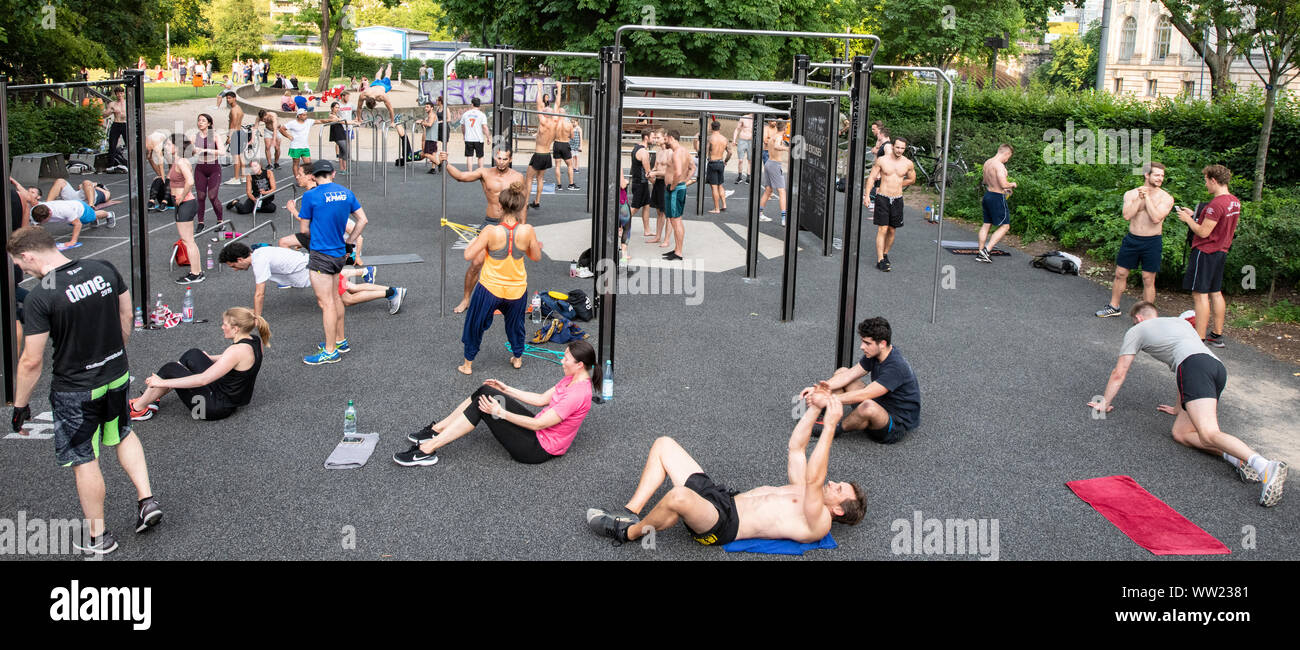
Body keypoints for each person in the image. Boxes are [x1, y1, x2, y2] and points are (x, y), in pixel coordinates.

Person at [8, 226, 162, 555]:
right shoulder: (103, 269)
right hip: (116, 375)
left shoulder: (41, 295)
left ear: (28, 255)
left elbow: (31, 361)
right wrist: (115, 353)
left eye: (21, 266)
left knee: (84, 459)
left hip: (75, 390)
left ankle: (99, 537)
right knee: (122, 433)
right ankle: (147, 501)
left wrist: (20, 405)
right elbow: (126, 315)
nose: (23, 271)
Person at [585, 390, 866, 546]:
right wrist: (816, 408)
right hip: (721, 498)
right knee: (664, 445)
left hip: (723, 525)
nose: (833, 483)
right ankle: (630, 512)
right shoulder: (803, 489)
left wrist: (830, 426)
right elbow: (796, 448)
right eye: (837, 482)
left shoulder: (819, 522)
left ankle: (627, 532)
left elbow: (817, 480)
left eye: (839, 489)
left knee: (678, 497)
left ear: (839, 509)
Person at [1089, 302, 1287, 506]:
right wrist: (1178, 407)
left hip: (1195, 368)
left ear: (1138, 318)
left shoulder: (1136, 330)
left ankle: (1265, 466)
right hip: (1216, 368)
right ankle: (1240, 460)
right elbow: (1182, 370)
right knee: (1181, 433)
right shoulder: (1178, 323)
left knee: (1208, 433)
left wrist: (1104, 403)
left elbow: (1119, 372)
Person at [394, 340, 597, 467]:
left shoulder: (577, 394)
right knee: (486, 392)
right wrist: (505, 389)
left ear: (579, 365)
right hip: (536, 432)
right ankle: (437, 429)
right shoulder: (572, 378)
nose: (562, 361)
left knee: (483, 406)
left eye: (566, 359)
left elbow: (539, 425)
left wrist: (499, 412)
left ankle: (427, 449)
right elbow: (542, 399)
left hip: (537, 449)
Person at [456, 181, 541, 374]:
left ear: (500, 207)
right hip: (516, 289)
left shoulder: (490, 231)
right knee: (516, 324)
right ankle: (517, 358)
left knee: (475, 323)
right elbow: (536, 256)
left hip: (490, 288)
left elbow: (468, 255)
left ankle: (467, 365)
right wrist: (523, 247)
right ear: (520, 207)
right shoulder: (528, 230)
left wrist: (481, 242)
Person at [128, 307, 268, 423]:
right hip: (229, 397)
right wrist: (208, 358)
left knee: (170, 369)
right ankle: (151, 397)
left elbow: (203, 380)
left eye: (225, 324)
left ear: (236, 329)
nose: (222, 327)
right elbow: (233, 361)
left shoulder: (235, 351)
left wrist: (162, 382)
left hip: (213, 408)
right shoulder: (254, 340)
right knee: (193, 354)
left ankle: (138, 409)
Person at [799, 316, 921, 443]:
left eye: (867, 343)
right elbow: (849, 375)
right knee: (842, 371)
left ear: (882, 343)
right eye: (862, 341)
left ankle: (835, 429)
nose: (862, 347)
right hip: (880, 403)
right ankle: (822, 412)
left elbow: (865, 394)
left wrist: (828, 399)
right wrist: (819, 389)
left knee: (868, 406)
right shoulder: (876, 353)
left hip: (895, 424)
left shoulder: (896, 367)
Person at [297, 161, 367, 365]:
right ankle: (340, 340)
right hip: (339, 253)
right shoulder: (346, 193)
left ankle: (330, 351)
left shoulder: (311, 196)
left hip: (321, 254)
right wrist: (351, 241)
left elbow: (303, 230)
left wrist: (319, 235)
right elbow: (362, 220)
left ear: (313, 176)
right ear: (333, 173)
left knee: (325, 302)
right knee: (336, 298)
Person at [441, 147, 526, 313]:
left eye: (505, 159)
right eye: (498, 158)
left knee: (506, 265)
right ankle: (466, 299)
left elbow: (522, 204)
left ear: (510, 159)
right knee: (476, 263)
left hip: (509, 225)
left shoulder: (517, 177)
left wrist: (522, 226)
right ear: (495, 157)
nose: (501, 162)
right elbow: (460, 177)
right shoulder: (484, 173)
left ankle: (504, 302)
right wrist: (445, 162)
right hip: (490, 223)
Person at [220, 242, 404, 318]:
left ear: (239, 259)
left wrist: (257, 319)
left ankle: (392, 292)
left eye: (233, 266)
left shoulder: (259, 260)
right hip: (318, 265)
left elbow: (259, 293)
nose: (235, 270)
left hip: (318, 270)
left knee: (346, 299)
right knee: (349, 288)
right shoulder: (259, 252)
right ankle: (393, 290)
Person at [1173, 165, 1240, 348]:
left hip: (1205, 252)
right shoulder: (1234, 201)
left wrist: (1188, 220)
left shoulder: (1216, 204)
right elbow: (1219, 225)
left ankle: (1199, 338)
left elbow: (1203, 232)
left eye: (1206, 181)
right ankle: (1217, 335)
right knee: (1215, 292)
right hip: (1221, 251)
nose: (1205, 185)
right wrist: (1195, 215)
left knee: (1200, 294)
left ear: (1213, 180)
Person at [1097, 162, 1174, 317]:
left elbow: (1156, 218)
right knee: (1120, 273)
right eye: (1157, 175)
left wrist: (1148, 199)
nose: (1160, 178)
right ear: (1147, 175)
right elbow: (1127, 215)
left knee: (1148, 278)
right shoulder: (1131, 194)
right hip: (1132, 239)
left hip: (1152, 242)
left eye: (1162, 175)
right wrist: (1140, 198)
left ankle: (1147, 315)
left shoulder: (1166, 197)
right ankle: (1114, 306)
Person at [863, 136, 916, 272]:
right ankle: (880, 259)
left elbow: (912, 179)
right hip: (883, 198)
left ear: (905, 149)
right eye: (897, 147)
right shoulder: (882, 160)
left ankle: (885, 254)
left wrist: (900, 183)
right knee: (883, 229)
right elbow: (872, 177)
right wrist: (867, 195)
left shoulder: (908, 163)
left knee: (892, 230)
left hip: (897, 199)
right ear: (893, 146)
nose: (899, 150)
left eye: (902, 148)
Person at [164, 134, 205, 284]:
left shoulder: (181, 162)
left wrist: (181, 198)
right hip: (182, 203)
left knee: (188, 241)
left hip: (186, 203)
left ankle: (196, 273)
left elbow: (190, 181)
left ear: (176, 146)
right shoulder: (177, 161)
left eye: (169, 144)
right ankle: (197, 271)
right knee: (188, 240)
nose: (166, 147)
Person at [976, 144, 1016, 263]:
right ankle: (987, 251)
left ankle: (980, 251)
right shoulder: (999, 165)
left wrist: (1001, 188)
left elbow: (985, 180)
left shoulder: (988, 163)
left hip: (988, 195)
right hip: (997, 197)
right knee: (1005, 226)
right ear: (1006, 153)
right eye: (1008, 157)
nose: (1007, 159)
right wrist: (1012, 184)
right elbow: (1004, 184)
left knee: (986, 224)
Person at [660, 130, 696, 261]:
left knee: (676, 220)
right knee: (675, 220)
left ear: (671, 138)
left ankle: (679, 252)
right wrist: (685, 181)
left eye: (665, 139)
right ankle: (677, 249)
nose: (665, 141)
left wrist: (675, 185)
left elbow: (678, 172)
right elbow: (692, 168)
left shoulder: (676, 154)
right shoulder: (685, 151)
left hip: (674, 189)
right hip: (678, 188)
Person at [27, 199, 113, 251]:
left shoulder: (63, 210)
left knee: (93, 216)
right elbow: (36, 227)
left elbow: (78, 224)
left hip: (81, 210)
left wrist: (73, 241)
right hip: (69, 216)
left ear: (49, 213)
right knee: (74, 221)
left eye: (44, 220)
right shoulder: (35, 211)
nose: (42, 222)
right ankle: (93, 219)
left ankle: (109, 214)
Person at [526, 81, 558, 209]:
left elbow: (538, 105)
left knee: (528, 179)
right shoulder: (554, 122)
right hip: (546, 155)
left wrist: (540, 88)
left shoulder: (544, 123)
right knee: (540, 178)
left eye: (545, 109)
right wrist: (559, 88)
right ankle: (537, 201)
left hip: (539, 154)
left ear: (545, 114)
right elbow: (557, 105)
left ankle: (526, 202)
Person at [192, 113, 225, 230]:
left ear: (209, 123)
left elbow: (222, 152)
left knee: (212, 196)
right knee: (200, 196)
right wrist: (193, 150)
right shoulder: (195, 136)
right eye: (199, 120)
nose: (200, 122)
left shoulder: (214, 135)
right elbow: (189, 152)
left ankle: (220, 220)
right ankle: (200, 222)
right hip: (200, 168)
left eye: (203, 121)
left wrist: (207, 150)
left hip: (213, 168)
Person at [758, 119, 790, 226]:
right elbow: (776, 146)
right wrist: (787, 149)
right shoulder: (779, 137)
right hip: (775, 165)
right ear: (785, 129)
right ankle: (784, 219)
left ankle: (760, 214)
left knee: (768, 190)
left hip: (769, 163)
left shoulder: (772, 136)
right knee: (782, 191)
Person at [628, 129, 654, 237]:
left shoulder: (636, 147)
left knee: (646, 206)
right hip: (639, 184)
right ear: (646, 137)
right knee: (634, 208)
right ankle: (619, 227)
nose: (654, 139)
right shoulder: (644, 152)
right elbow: (648, 173)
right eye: (653, 137)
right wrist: (656, 183)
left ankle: (647, 230)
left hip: (641, 183)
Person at [319, 101, 356, 175]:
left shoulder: (337, 115)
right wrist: (353, 122)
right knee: (346, 150)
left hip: (341, 133)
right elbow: (342, 122)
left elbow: (342, 120)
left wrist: (354, 120)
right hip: (337, 135)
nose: (338, 109)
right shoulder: (332, 115)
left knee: (342, 151)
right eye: (336, 107)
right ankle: (344, 169)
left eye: (338, 107)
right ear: (332, 108)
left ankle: (343, 169)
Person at [279, 108, 315, 179]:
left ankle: (308, 178)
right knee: (296, 163)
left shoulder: (308, 121)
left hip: (305, 147)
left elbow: (321, 120)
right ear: (299, 116)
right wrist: (288, 136)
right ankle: (297, 178)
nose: (306, 116)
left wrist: (332, 120)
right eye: (304, 115)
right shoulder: (292, 123)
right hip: (295, 147)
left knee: (308, 164)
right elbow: (281, 129)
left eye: (306, 115)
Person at [222, 91, 248, 185]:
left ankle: (236, 178)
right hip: (240, 132)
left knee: (235, 156)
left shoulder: (233, 110)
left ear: (234, 98)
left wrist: (229, 136)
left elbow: (233, 124)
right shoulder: (239, 108)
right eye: (227, 98)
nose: (228, 100)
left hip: (235, 133)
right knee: (241, 155)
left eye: (229, 98)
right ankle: (243, 176)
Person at [459, 97, 490, 171]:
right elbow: (484, 127)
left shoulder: (466, 114)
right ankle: (480, 171)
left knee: (469, 156)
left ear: (472, 104)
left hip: (469, 138)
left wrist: (464, 134)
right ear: (479, 105)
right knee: (480, 156)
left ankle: (470, 172)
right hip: (479, 138)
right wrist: (488, 137)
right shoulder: (482, 115)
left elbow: (462, 126)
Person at [705, 120, 729, 213]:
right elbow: (730, 152)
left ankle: (716, 208)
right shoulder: (725, 139)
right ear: (720, 128)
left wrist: (707, 157)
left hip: (713, 163)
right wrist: (725, 161)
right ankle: (724, 205)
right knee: (720, 185)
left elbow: (705, 151)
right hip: (720, 162)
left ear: (711, 128)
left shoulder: (710, 138)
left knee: (714, 187)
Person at [103, 87, 128, 172]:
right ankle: (110, 164)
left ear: (123, 94)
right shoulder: (112, 104)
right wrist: (111, 111)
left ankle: (132, 163)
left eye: (121, 93)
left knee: (129, 144)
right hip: (116, 124)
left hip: (125, 124)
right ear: (116, 94)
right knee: (112, 144)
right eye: (118, 93)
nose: (119, 95)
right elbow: (104, 115)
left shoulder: (127, 103)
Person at [552, 111, 579, 191]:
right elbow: (572, 136)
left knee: (557, 166)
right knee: (570, 165)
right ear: (564, 114)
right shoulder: (569, 124)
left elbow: (552, 135)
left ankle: (559, 186)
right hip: (565, 144)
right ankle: (571, 184)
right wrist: (566, 136)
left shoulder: (555, 124)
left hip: (557, 144)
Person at [866, 121, 890, 208]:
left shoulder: (886, 143)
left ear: (879, 130)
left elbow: (884, 153)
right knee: (876, 185)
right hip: (877, 164)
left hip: (880, 167)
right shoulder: (879, 139)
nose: (872, 130)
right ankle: (876, 204)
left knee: (879, 187)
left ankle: (879, 206)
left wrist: (879, 172)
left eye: (873, 129)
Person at [419, 101, 443, 174]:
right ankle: (433, 169)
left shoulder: (432, 115)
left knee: (426, 154)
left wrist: (422, 122)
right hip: (431, 137)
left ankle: (439, 164)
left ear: (432, 108)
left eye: (427, 107)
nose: (425, 108)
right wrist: (422, 122)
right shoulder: (429, 115)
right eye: (425, 107)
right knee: (433, 153)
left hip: (431, 137)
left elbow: (429, 124)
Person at [731, 113, 753, 184]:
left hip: (751, 141)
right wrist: (734, 140)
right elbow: (737, 129)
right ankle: (740, 177)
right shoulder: (744, 118)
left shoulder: (758, 119)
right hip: (742, 140)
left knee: (750, 160)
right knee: (740, 160)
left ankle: (748, 177)